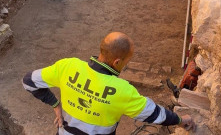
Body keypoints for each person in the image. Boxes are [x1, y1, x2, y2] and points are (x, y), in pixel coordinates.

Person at [22, 32, 195, 134]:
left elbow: (29, 82)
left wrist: (55, 104)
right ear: (117, 62)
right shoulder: (122, 91)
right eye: (126, 62)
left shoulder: (68, 66)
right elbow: (155, 114)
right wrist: (181, 119)